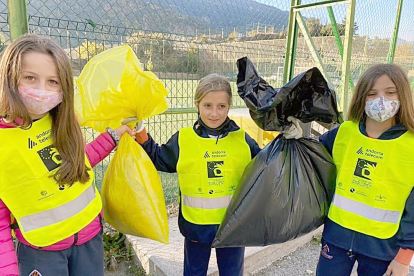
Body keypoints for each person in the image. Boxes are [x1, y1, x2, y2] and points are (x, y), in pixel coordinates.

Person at [0, 34, 133, 276]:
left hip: (90, 238)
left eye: (53, 81)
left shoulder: (63, 120)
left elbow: (77, 164)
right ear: (8, 78)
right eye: (30, 78)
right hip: (42, 252)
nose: (42, 91)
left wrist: (111, 138)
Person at [134, 73, 261, 276]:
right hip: (195, 228)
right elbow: (159, 158)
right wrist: (140, 132)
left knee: (232, 273)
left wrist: (287, 142)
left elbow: (266, 167)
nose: (214, 113)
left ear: (229, 106)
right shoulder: (183, 139)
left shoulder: (243, 140)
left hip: (233, 229)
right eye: (207, 105)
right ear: (197, 104)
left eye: (221, 106)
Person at [316, 64, 414, 276]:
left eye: (390, 93)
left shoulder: (411, 146)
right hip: (337, 237)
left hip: (382, 248)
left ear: (403, 95)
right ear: (362, 97)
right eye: (372, 93)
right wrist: (293, 136)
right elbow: (310, 157)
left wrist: (404, 259)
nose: (381, 101)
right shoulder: (344, 132)